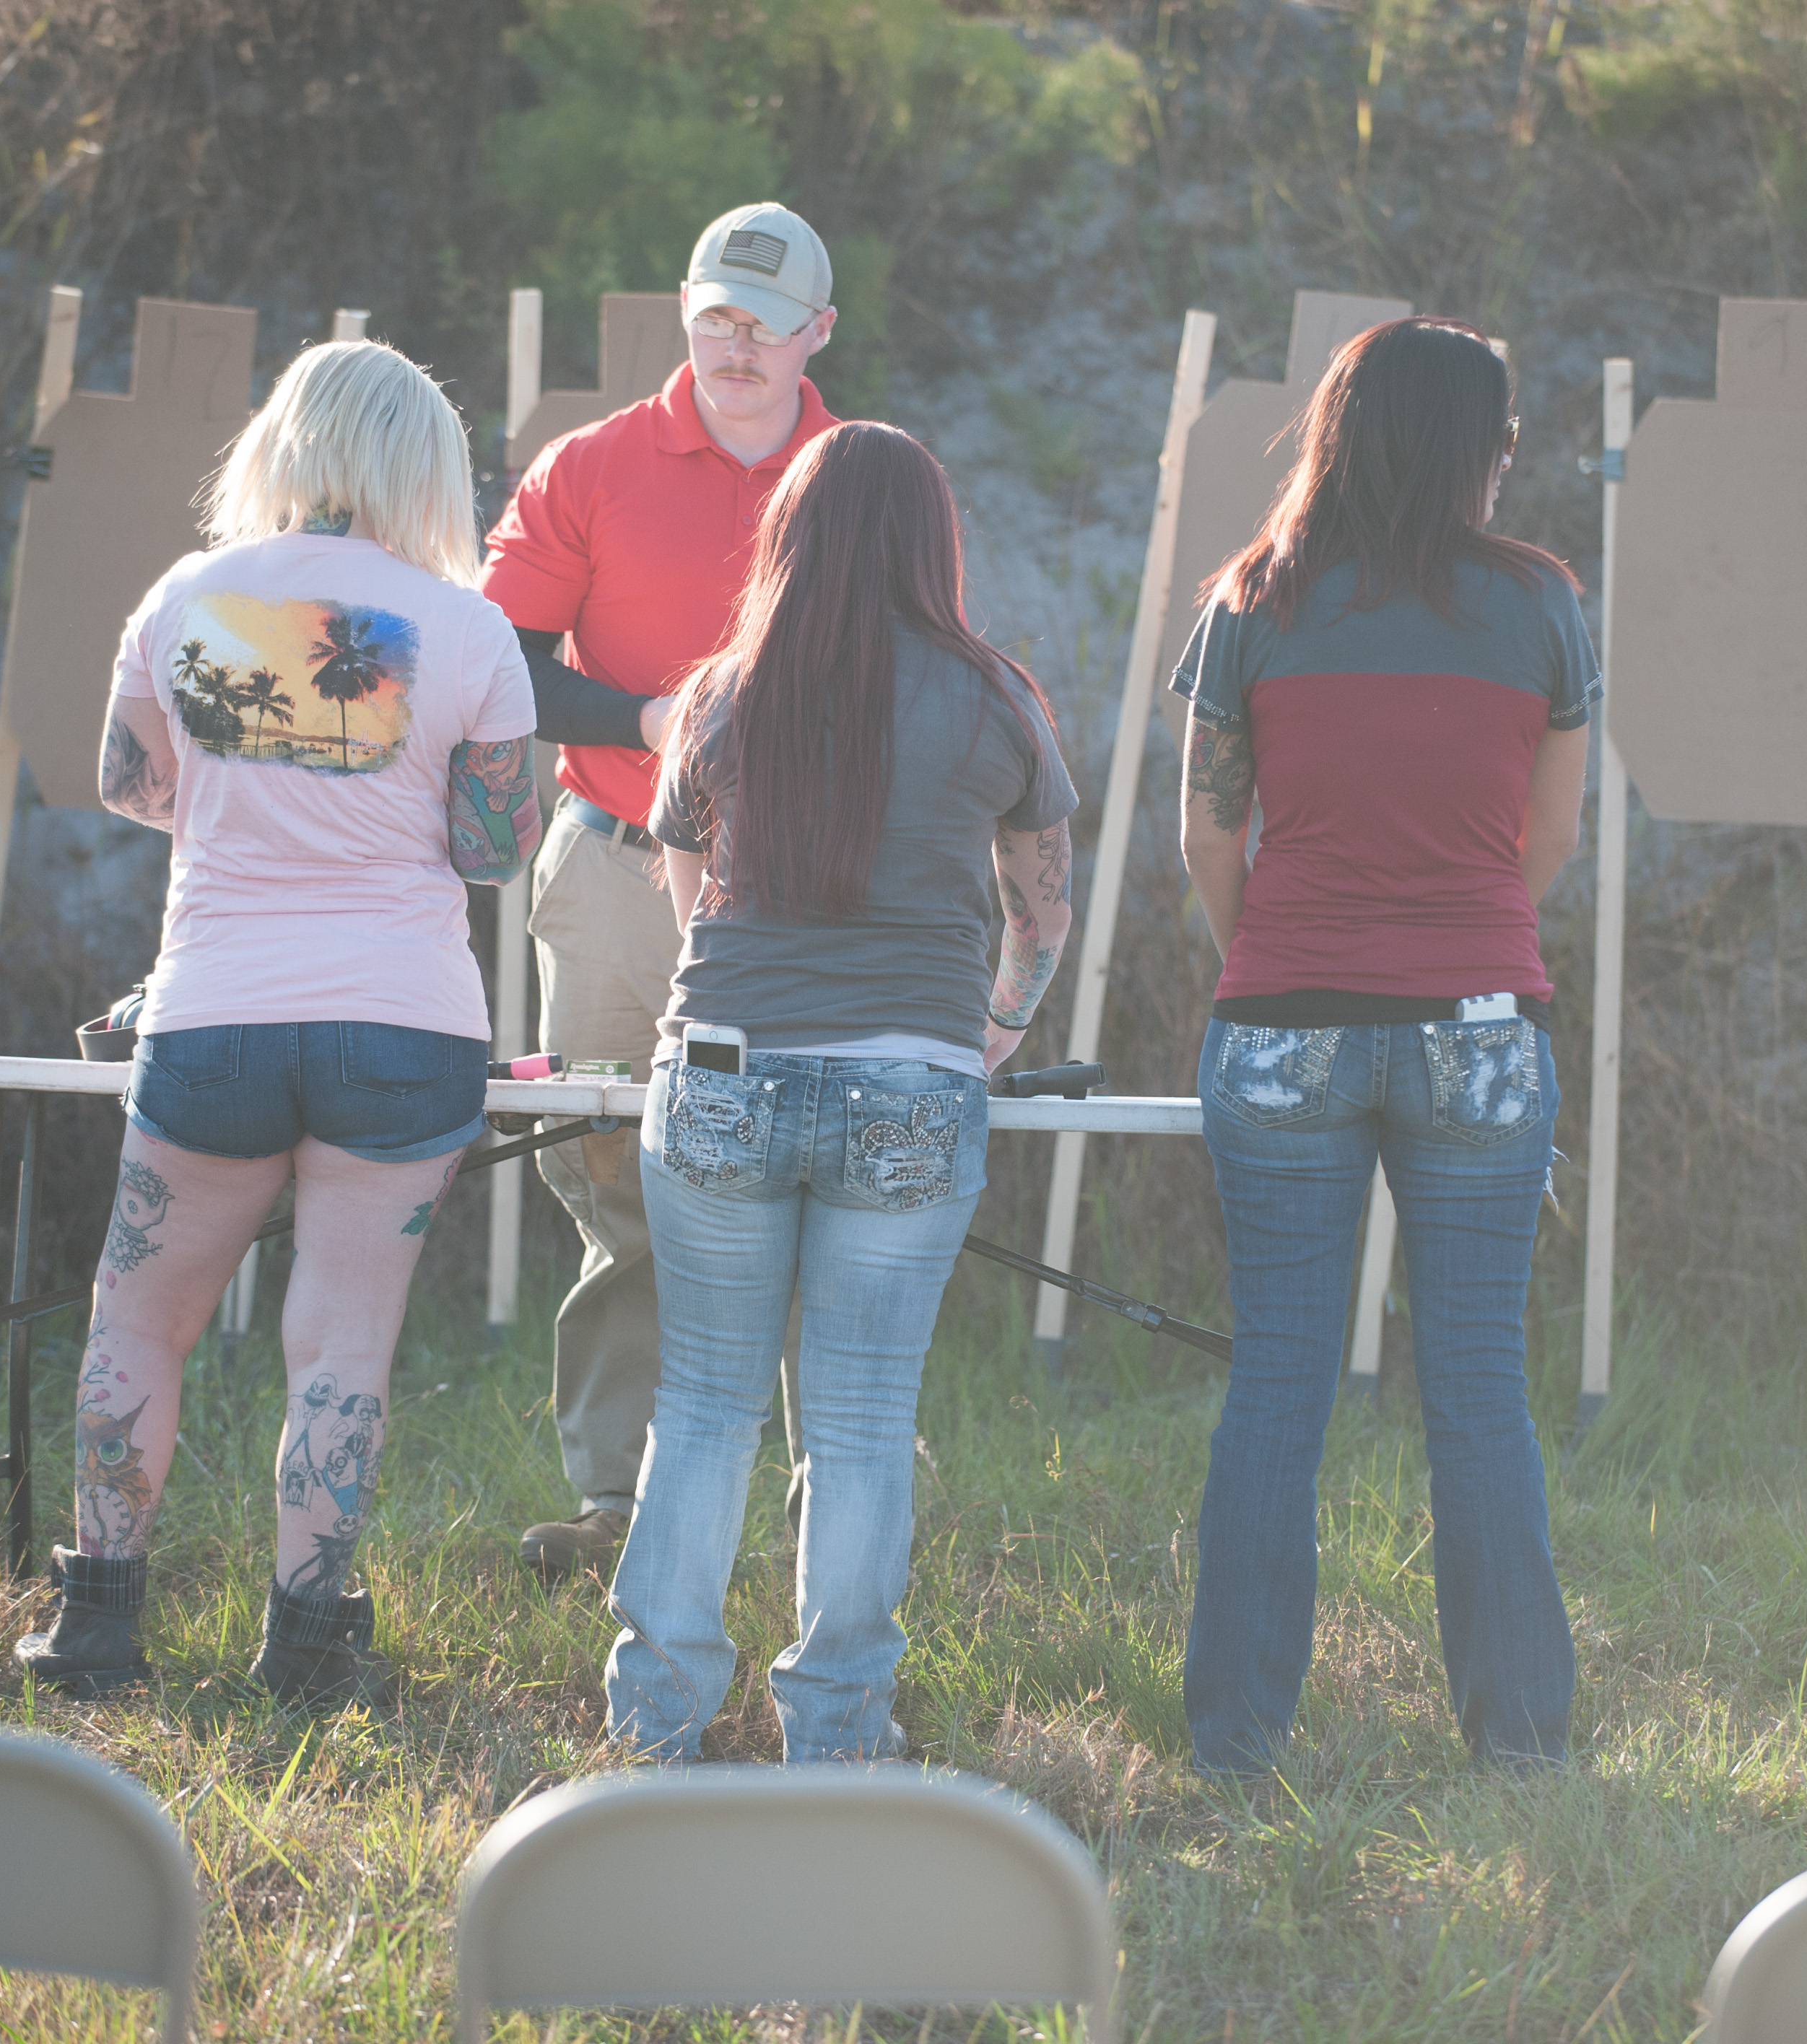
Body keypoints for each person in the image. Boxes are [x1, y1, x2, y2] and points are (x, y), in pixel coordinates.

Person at [12, 339, 541, 1708]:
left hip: (218, 1012)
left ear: (282, 444)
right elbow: (492, 847)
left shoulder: (189, 595)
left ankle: (99, 1627)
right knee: (343, 1345)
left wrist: (256, 792)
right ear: (425, 466)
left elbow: (129, 782)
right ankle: (306, 1648)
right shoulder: (468, 628)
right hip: (402, 1025)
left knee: (138, 1322)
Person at [604, 420, 1076, 1763]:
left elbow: (692, 898)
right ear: (935, 542)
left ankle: (659, 1723)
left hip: (720, 1076)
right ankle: (839, 1730)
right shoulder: (997, 700)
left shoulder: (718, 695)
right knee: (863, 1419)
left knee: (703, 1405)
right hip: (912, 1085)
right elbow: (1041, 919)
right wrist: (986, 1035)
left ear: (788, 538)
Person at [1170, 318, 1598, 1774]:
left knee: (1279, 1380)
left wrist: (1276, 953)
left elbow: (1207, 830)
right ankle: (1520, 1741)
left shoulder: (1254, 599)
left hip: (1283, 1022)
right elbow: (1550, 839)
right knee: (1478, 1386)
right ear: (1479, 450)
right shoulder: (1542, 607)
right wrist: (1459, 938)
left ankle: (1233, 1738)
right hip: (1479, 1027)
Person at [481, 201, 849, 1584]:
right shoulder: (592, 465)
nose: (736, 345)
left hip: (816, 887)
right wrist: (649, 723)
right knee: (617, 1173)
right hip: (620, 865)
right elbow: (500, 660)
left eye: (764, 321)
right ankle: (621, 1504)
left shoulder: (864, 474)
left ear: (820, 330)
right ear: (684, 316)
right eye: (714, 315)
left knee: (828, 1184)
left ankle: (838, 1502)